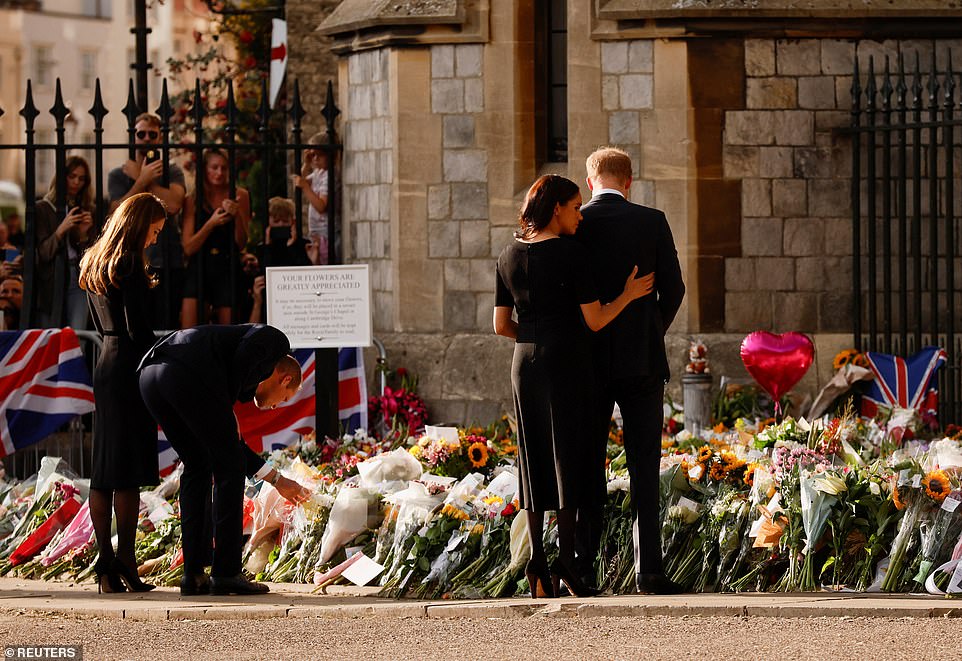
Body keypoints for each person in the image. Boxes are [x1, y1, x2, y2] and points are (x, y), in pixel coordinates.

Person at [493, 174, 654, 598]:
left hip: (524, 363)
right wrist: (629, 294)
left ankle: (537, 567)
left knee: (532, 459)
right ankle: (568, 562)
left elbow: (499, 325)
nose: (581, 215)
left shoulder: (508, 253)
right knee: (569, 456)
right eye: (576, 207)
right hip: (567, 363)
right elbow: (596, 319)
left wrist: (534, 337)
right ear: (557, 208)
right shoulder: (571, 253)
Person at [574, 147, 686, 595]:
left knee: (587, 466)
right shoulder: (652, 221)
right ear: (629, 181)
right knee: (644, 464)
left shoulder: (575, 223)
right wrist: (649, 329)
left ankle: (584, 569)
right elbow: (674, 289)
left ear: (589, 182)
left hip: (589, 362)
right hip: (641, 359)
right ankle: (649, 571)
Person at [138, 323, 309, 596]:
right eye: (284, 399)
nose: (277, 406)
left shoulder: (242, 377)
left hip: (151, 375)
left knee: (198, 464)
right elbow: (243, 356)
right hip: (185, 373)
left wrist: (276, 480)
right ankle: (227, 572)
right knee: (229, 467)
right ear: (285, 379)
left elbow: (231, 442)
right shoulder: (275, 341)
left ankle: (193, 574)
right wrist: (226, 409)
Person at [77, 192, 167, 594]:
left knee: (104, 469)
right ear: (139, 223)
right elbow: (138, 328)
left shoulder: (94, 259)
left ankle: (104, 565)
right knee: (127, 469)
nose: (154, 239)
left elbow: (101, 322)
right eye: (154, 230)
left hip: (105, 360)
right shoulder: (129, 263)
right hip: (131, 362)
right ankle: (126, 560)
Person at [107, 112, 187, 331]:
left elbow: (173, 205)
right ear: (133, 137)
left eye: (152, 134)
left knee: (165, 326)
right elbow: (116, 213)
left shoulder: (172, 171)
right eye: (140, 133)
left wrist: (144, 180)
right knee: (135, 325)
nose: (146, 139)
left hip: (168, 261)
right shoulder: (118, 174)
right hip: (130, 261)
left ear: (160, 138)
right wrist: (140, 180)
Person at [181, 148, 251, 327]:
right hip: (199, 265)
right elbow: (188, 248)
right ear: (205, 169)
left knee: (228, 332)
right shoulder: (193, 199)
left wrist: (237, 216)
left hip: (227, 265)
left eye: (224, 168)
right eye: (214, 167)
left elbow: (241, 243)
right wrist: (210, 224)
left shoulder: (239, 195)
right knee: (190, 333)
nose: (219, 173)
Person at [35, 155, 96, 329]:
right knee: (51, 335)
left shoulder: (88, 208)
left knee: (77, 336)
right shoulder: (43, 208)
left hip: (78, 276)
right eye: (72, 176)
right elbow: (42, 253)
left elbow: (93, 257)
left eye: (82, 178)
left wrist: (84, 235)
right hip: (52, 277)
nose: (76, 182)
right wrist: (61, 230)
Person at [292, 134, 333, 264]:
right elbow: (299, 182)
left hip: (325, 234)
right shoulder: (318, 172)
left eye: (318, 155)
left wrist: (305, 187)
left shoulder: (328, 176)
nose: (315, 159)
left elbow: (321, 206)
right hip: (316, 233)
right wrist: (306, 164)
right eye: (312, 155)